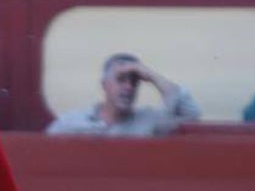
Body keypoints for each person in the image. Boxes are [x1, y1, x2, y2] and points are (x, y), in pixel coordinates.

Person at [47, 53, 201, 135]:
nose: (128, 87)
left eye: (134, 81)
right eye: (121, 79)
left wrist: (151, 75)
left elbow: (191, 114)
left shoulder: (148, 121)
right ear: (104, 85)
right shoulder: (71, 123)